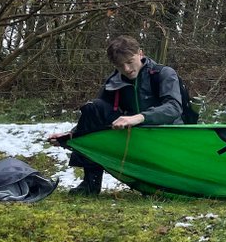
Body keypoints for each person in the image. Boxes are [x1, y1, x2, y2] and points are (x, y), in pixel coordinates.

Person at [47, 35, 184, 195]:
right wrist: (71, 135)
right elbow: (94, 116)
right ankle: (90, 184)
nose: (126, 69)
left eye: (129, 61)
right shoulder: (114, 81)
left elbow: (174, 108)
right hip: (133, 138)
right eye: (120, 65)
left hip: (166, 137)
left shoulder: (164, 74)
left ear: (141, 53)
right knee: (92, 107)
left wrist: (137, 118)